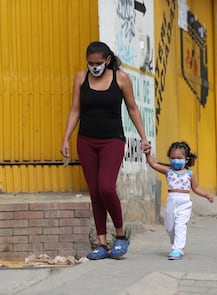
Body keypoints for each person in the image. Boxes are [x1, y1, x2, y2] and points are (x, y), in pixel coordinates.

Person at [60, 41, 150, 260]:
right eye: (90, 63)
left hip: (112, 140)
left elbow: (132, 108)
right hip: (86, 141)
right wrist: (66, 138)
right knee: (95, 192)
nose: (94, 67)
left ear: (107, 60)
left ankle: (120, 235)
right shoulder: (81, 78)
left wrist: (144, 137)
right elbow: (75, 110)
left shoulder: (121, 78)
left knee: (106, 187)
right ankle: (102, 243)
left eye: (98, 63)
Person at [143, 141, 214, 260]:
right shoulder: (168, 171)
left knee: (180, 225)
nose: (176, 160)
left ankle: (178, 249)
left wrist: (206, 195)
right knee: (170, 227)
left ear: (186, 159)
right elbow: (153, 164)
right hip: (171, 202)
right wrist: (148, 154)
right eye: (173, 158)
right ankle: (175, 244)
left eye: (179, 158)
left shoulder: (190, 174)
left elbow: (195, 188)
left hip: (184, 203)